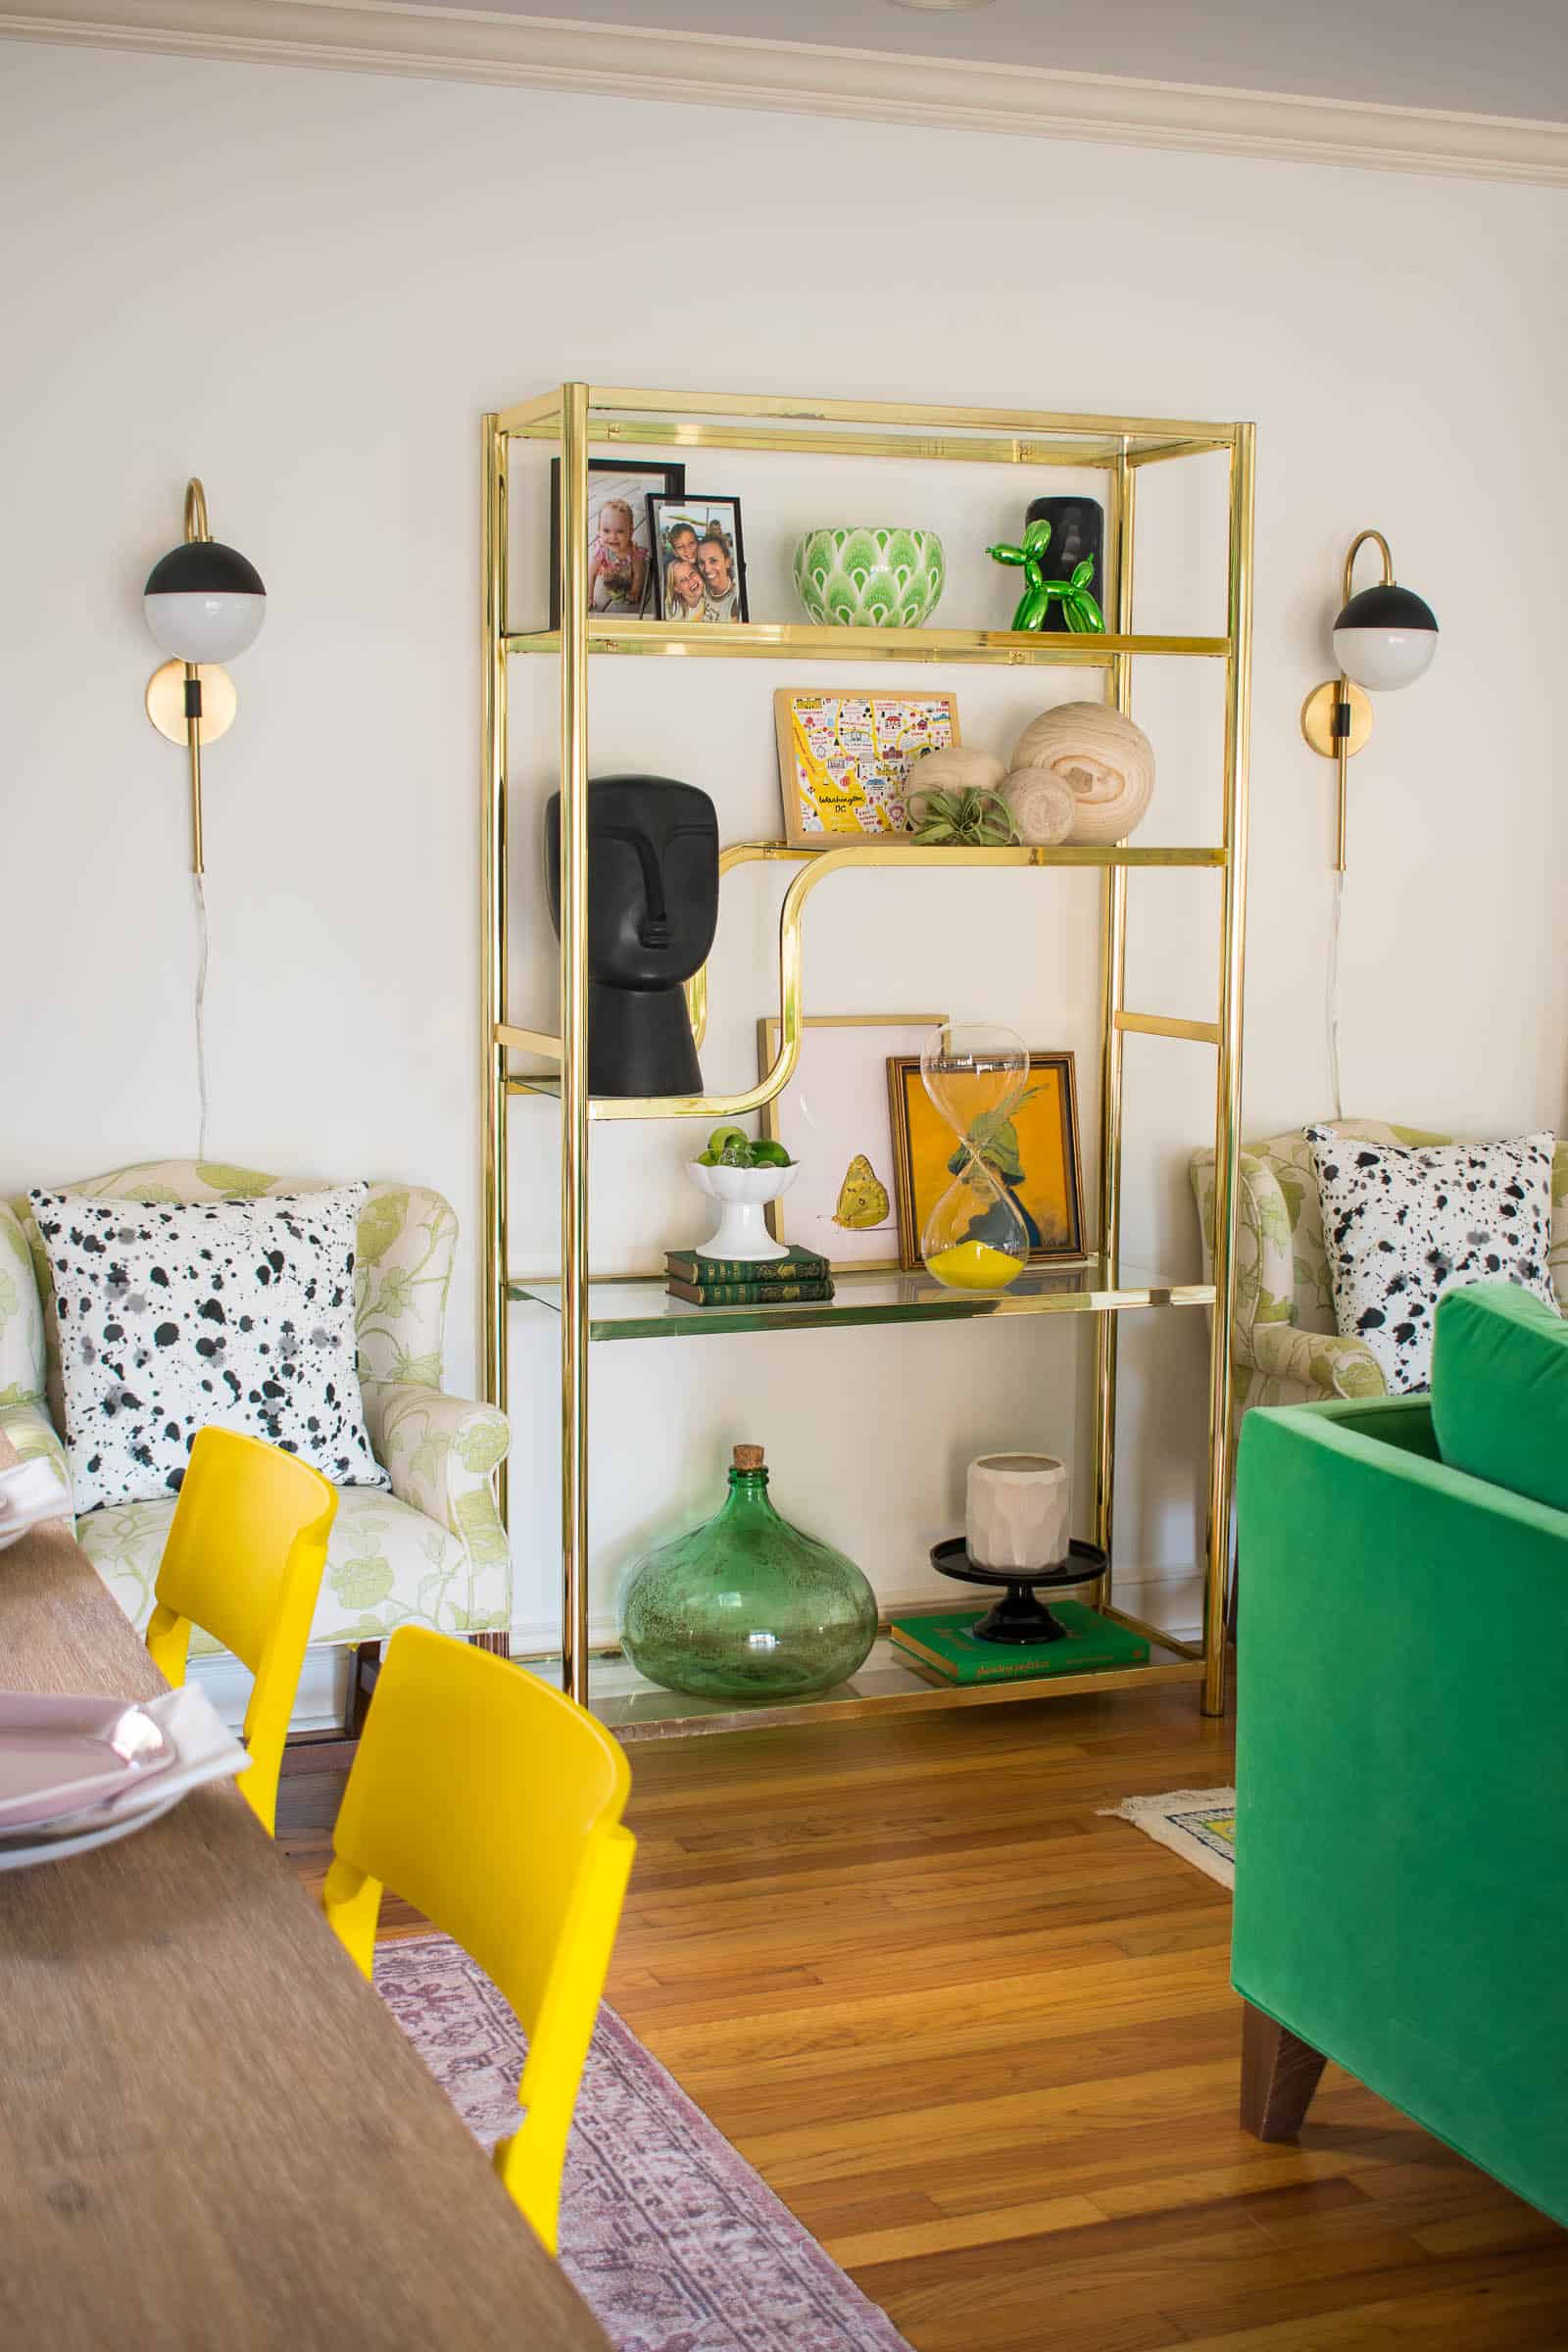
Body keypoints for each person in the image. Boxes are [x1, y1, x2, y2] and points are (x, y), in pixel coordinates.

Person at [587, 496, 647, 613]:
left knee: (641, 568)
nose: (613, 537)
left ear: (631, 532)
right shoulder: (600, 551)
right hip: (610, 576)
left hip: (627, 578)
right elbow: (591, 574)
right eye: (606, 531)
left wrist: (635, 591)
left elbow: (639, 574)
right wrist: (589, 597)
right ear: (598, 531)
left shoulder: (633, 552)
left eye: (620, 531)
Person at [695, 530, 738, 622]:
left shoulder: (736, 601)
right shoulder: (699, 589)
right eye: (702, 562)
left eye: (713, 561)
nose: (707, 569)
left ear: (727, 562)